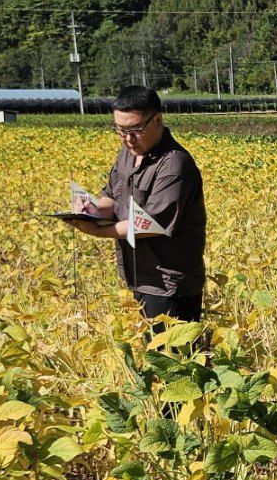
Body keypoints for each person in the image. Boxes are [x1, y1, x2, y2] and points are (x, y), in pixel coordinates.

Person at [73, 85, 207, 321]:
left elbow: (149, 224)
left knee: (173, 356)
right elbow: (112, 197)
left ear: (157, 120)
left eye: (135, 129)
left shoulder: (174, 164)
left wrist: (96, 231)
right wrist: (91, 210)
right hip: (138, 275)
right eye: (120, 130)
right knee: (151, 354)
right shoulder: (128, 152)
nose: (127, 138)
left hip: (169, 284)